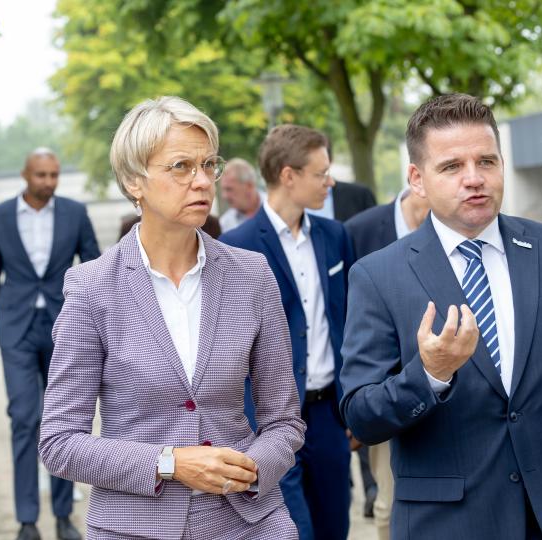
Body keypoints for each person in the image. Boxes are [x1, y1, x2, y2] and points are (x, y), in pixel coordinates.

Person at [340, 94, 542, 539]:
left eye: (487, 161)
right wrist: (431, 374)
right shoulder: (378, 275)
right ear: (417, 179)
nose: (474, 179)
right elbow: (361, 415)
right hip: (449, 524)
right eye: (452, 166)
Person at [39, 96, 305, 540]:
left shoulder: (252, 275)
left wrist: (249, 469)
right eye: (181, 166)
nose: (201, 181)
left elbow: (284, 421)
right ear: (133, 181)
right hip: (133, 528)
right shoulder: (92, 288)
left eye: (208, 165)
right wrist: (171, 463)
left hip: (248, 524)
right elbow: (60, 442)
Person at [220, 124, 354, 540]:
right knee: (292, 530)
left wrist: (352, 403)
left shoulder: (336, 236)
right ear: (289, 175)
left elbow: (348, 320)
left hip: (329, 414)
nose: (330, 182)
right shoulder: (236, 245)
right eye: (321, 173)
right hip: (269, 420)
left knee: (336, 526)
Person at [0, 148, 99, 540]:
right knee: (25, 418)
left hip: (65, 328)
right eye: (41, 174)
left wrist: (103, 329)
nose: (48, 181)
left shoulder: (76, 213)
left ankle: (64, 515)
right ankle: (27, 519)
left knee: (64, 422)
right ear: (25, 174)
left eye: (54, 175)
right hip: (17, 329)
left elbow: (96, 270)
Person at [342, 186, 430, 539]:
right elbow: (345, 317)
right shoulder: (361, 230)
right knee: (389, 502)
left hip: (449, 389)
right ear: (417, 182)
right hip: (385, 389)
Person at [218, 158, 262, 232]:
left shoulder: (275, 208)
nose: (224, 196)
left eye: (229, 189)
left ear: (249, 186)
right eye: (223, 189)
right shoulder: (225, 224)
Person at [118, 212, 222, 240]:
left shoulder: (212, 223)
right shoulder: (104, 277)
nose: (204, 182)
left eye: (209, 165)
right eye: (180, 166)